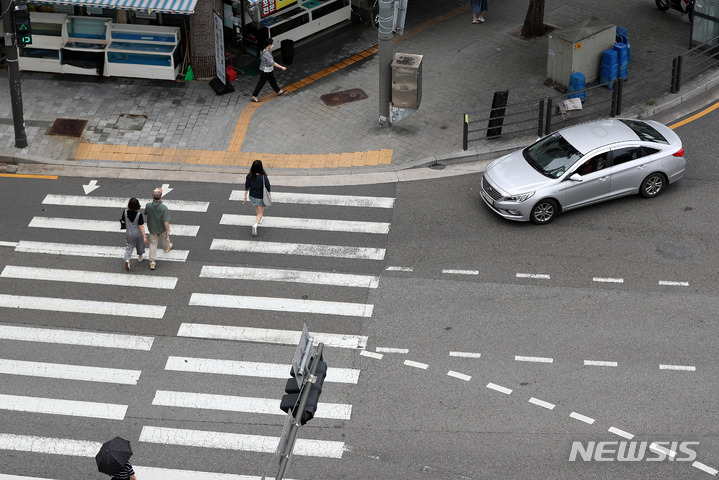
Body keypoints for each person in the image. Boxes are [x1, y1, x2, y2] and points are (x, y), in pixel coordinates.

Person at [251, 38, 288, 103]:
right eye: (272, 44)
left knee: (272, 80)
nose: (273, 45)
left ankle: (278, 91)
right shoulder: (266, 53)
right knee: (261, 83)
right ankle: (254, 96)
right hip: (265, 71)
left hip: (267, 69)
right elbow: (273, 63)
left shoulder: (262, 49)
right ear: (269, 45)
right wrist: (282, 67)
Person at [144, 188, 172, 271]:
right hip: (162, 228)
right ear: (161, 197)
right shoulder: (163, 208)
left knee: (153, 243)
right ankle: (166, 248)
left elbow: (146, 213)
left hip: (152, 228)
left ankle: (152, 262)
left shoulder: (148, 205)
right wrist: (168, 230)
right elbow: (165, 221)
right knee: (165, 238)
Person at [243, 159, 271, 237]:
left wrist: (245, 197)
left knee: (256, 206)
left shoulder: (249, 176)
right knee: (261, 212)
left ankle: (260, 219)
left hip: (252, 196)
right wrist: (269, 192)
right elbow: (268, 186)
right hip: (260, 197)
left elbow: (246, 187)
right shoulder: (263, 177)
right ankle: (255, 224)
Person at [120, 197, 147, 271]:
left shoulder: (125, 212)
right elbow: (141, 226)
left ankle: (127, 260)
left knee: (129, 246)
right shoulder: (139, 214)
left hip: (129, 233)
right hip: (137, 233)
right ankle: (140, 257)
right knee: (140, 244)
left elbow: (123, 221)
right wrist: (144, 236)